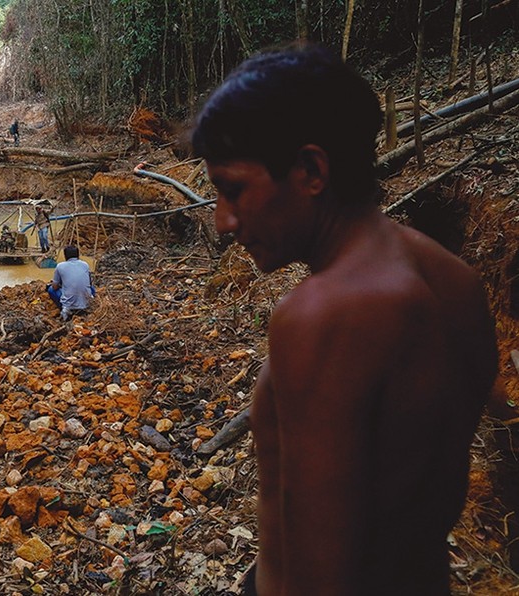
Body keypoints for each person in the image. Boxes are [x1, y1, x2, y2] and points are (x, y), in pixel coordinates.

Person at [191, 43, 498, 596]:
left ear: (311, 170)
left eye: (233, 189)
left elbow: (320, 574)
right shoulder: (455, 281)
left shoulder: (323, 315)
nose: (223, 221)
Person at [46, 245, 94, 321]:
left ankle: (63, 307)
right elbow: (90, 283)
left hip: (69, 305)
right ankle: (87, 302)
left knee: (51, 290)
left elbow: (55, 287)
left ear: (65, 256)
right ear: (78, 255)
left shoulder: (60, 266)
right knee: (92, 288)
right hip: (86, 303)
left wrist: (58, 284)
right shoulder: (85, 264)